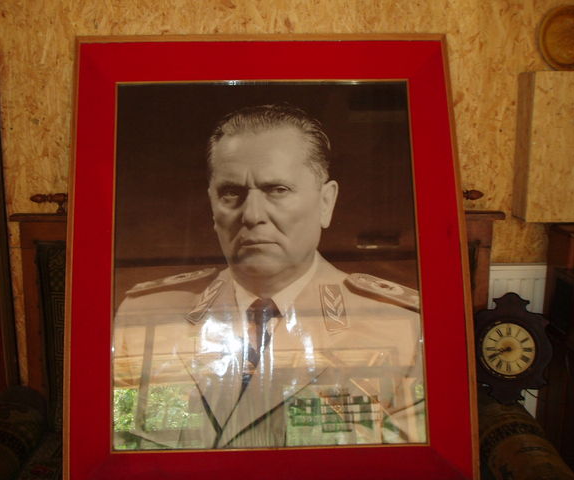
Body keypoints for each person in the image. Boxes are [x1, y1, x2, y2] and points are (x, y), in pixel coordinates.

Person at [113, 104, 425, 450]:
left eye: (278, 190)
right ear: (212, 206)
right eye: (232, 192)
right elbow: (121, 453)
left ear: (326, 202)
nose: (252, 215)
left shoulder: (401, 328)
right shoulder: (144, 318)